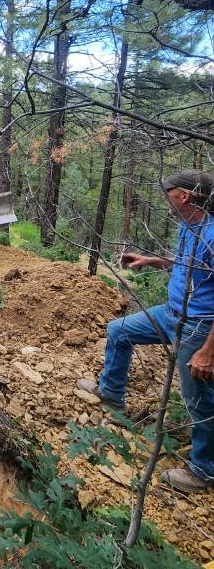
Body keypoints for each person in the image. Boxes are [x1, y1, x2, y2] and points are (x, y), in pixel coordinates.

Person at [77, 170, 214, 493]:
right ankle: (111, 394)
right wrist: (152, 261)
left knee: (198, 398)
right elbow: (186, 265)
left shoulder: (211, 234)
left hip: (198, 326)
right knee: (119, 331)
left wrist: (208, 351)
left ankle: (203, 471)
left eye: (169, 192)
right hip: (170, 314)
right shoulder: (189, 226)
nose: (165, 198)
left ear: (184, 196)